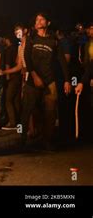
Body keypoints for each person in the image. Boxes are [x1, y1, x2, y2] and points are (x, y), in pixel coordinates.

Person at [21, 12, 70, 150]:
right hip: (33, 80)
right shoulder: (31, 38)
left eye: (41, 19)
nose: (38, 21)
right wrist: (35, 76)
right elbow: (27, 59)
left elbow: (62, 61)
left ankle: (47, 140)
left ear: (47, 23)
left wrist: (67, 80)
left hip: (50, 80)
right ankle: (22, 138)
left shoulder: (54, 41)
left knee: (50, 111)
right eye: (37, 19)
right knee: (27, 109)